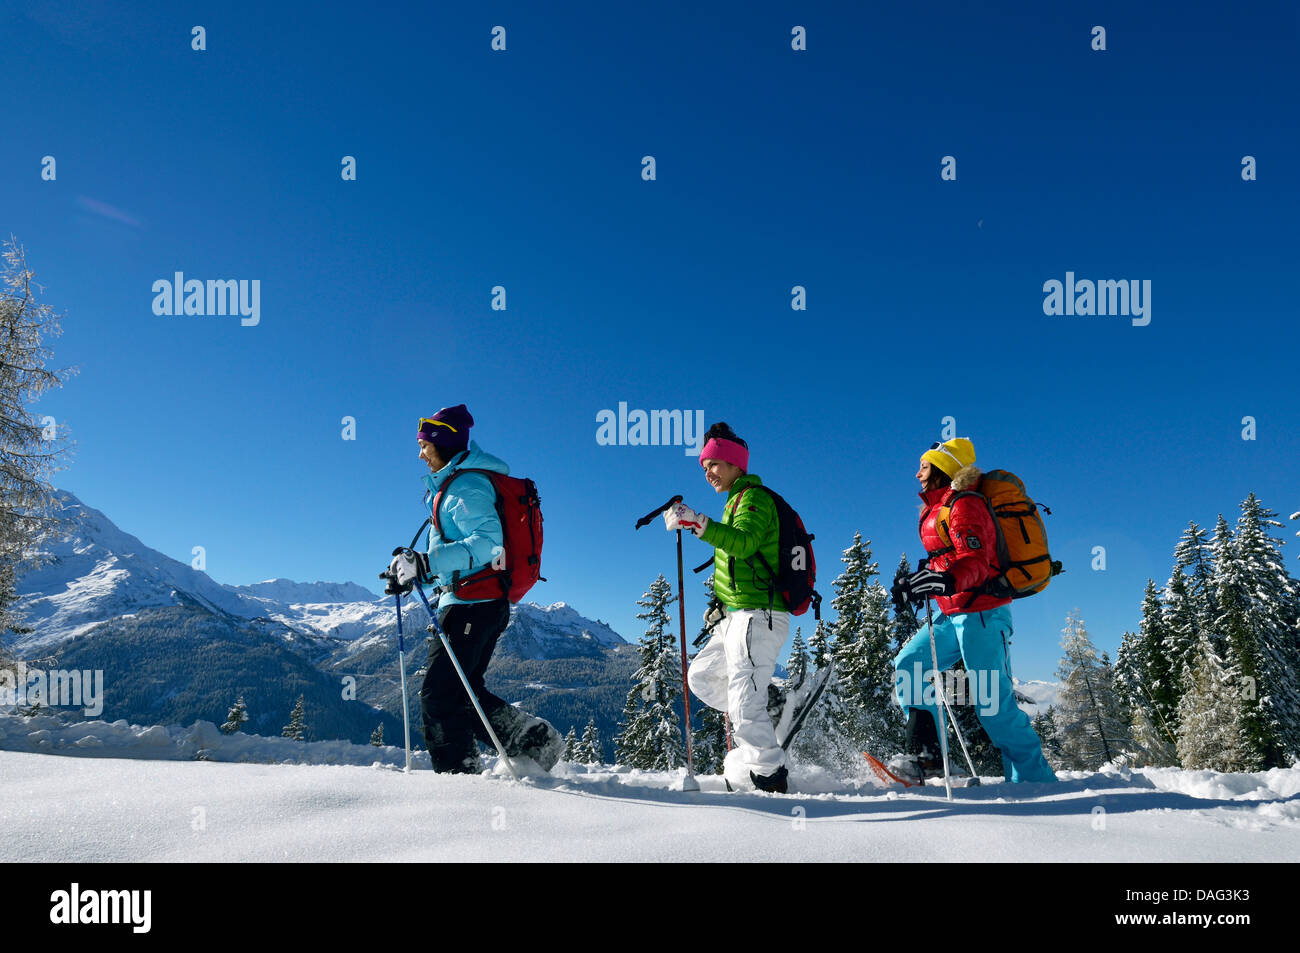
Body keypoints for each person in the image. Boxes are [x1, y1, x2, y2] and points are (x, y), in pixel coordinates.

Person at [387, 404, 561, 773]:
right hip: (474, 600)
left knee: (438, 695)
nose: (420, 454)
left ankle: (458, 781)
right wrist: (418, 573)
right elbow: (459, 556)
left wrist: (426, 562)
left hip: (473, 603)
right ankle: (532, 739)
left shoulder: (466, 486)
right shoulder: (454, 487)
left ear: (444, 445)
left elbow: (488, 545)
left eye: (425, 446)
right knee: (460, 692)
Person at [889, 437, 1057, 784]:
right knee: (910, 664)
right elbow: (947, 557)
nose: (917, 473)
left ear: (942, 467)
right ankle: (929, 755)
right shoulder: (939, 507)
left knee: (992, 706)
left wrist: (945, 581)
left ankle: (1035, 781)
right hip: (951, 614)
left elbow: (976, 560)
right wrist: (915, 582)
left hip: (982, 612)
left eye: (923, 466)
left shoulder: (965, 504)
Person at [665, 421, 803, 794]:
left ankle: (770, 781)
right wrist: (720, 603)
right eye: (704, 466)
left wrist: (698, 523)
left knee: (743, 711)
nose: (708, 472)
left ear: (736, 464)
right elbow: (743, 562)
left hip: (760, 617)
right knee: (702, 676)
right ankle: (771, 702)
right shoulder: (735, 502)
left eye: (714, 464)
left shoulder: (754, 499)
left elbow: (743, 544)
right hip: (736, 615)